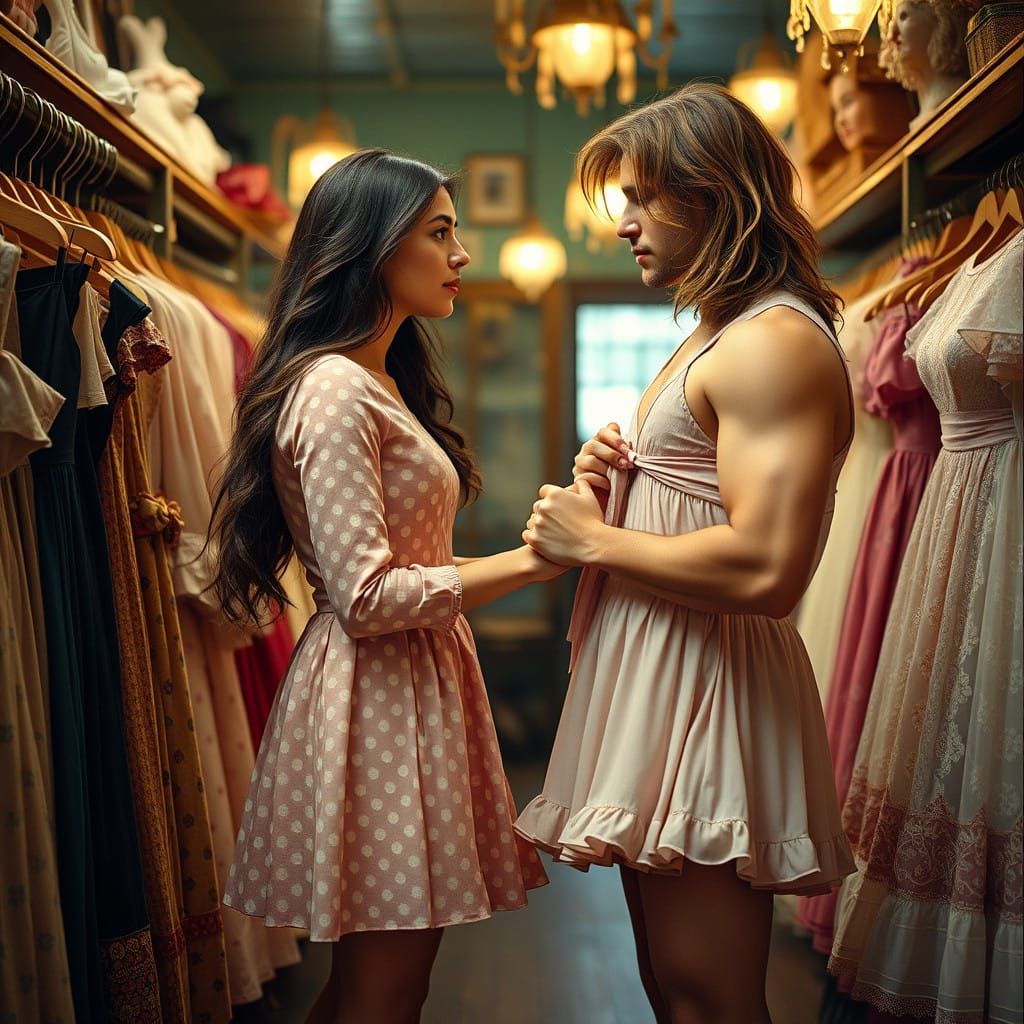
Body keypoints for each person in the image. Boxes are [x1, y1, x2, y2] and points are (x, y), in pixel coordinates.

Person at [515, 83, 857, 1024]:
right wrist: (615, 477)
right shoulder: (715, 333)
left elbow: (767, 568)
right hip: (662, 671)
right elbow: (700, 490)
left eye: (639, 199)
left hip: (708, 684)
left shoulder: (772, 344)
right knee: (672, 987)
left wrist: (599, 538)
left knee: (707, 993)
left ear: (710, 193)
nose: (622, 225)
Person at [208, 149, 555, 1024]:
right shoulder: (332, 389)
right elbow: (364, 599)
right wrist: (533, 561)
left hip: (409, 691)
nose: (462, 253)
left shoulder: (374, 379)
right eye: (441, 232)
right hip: (378, 698)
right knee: (384, 992)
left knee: (379, 987)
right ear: (373, 245)